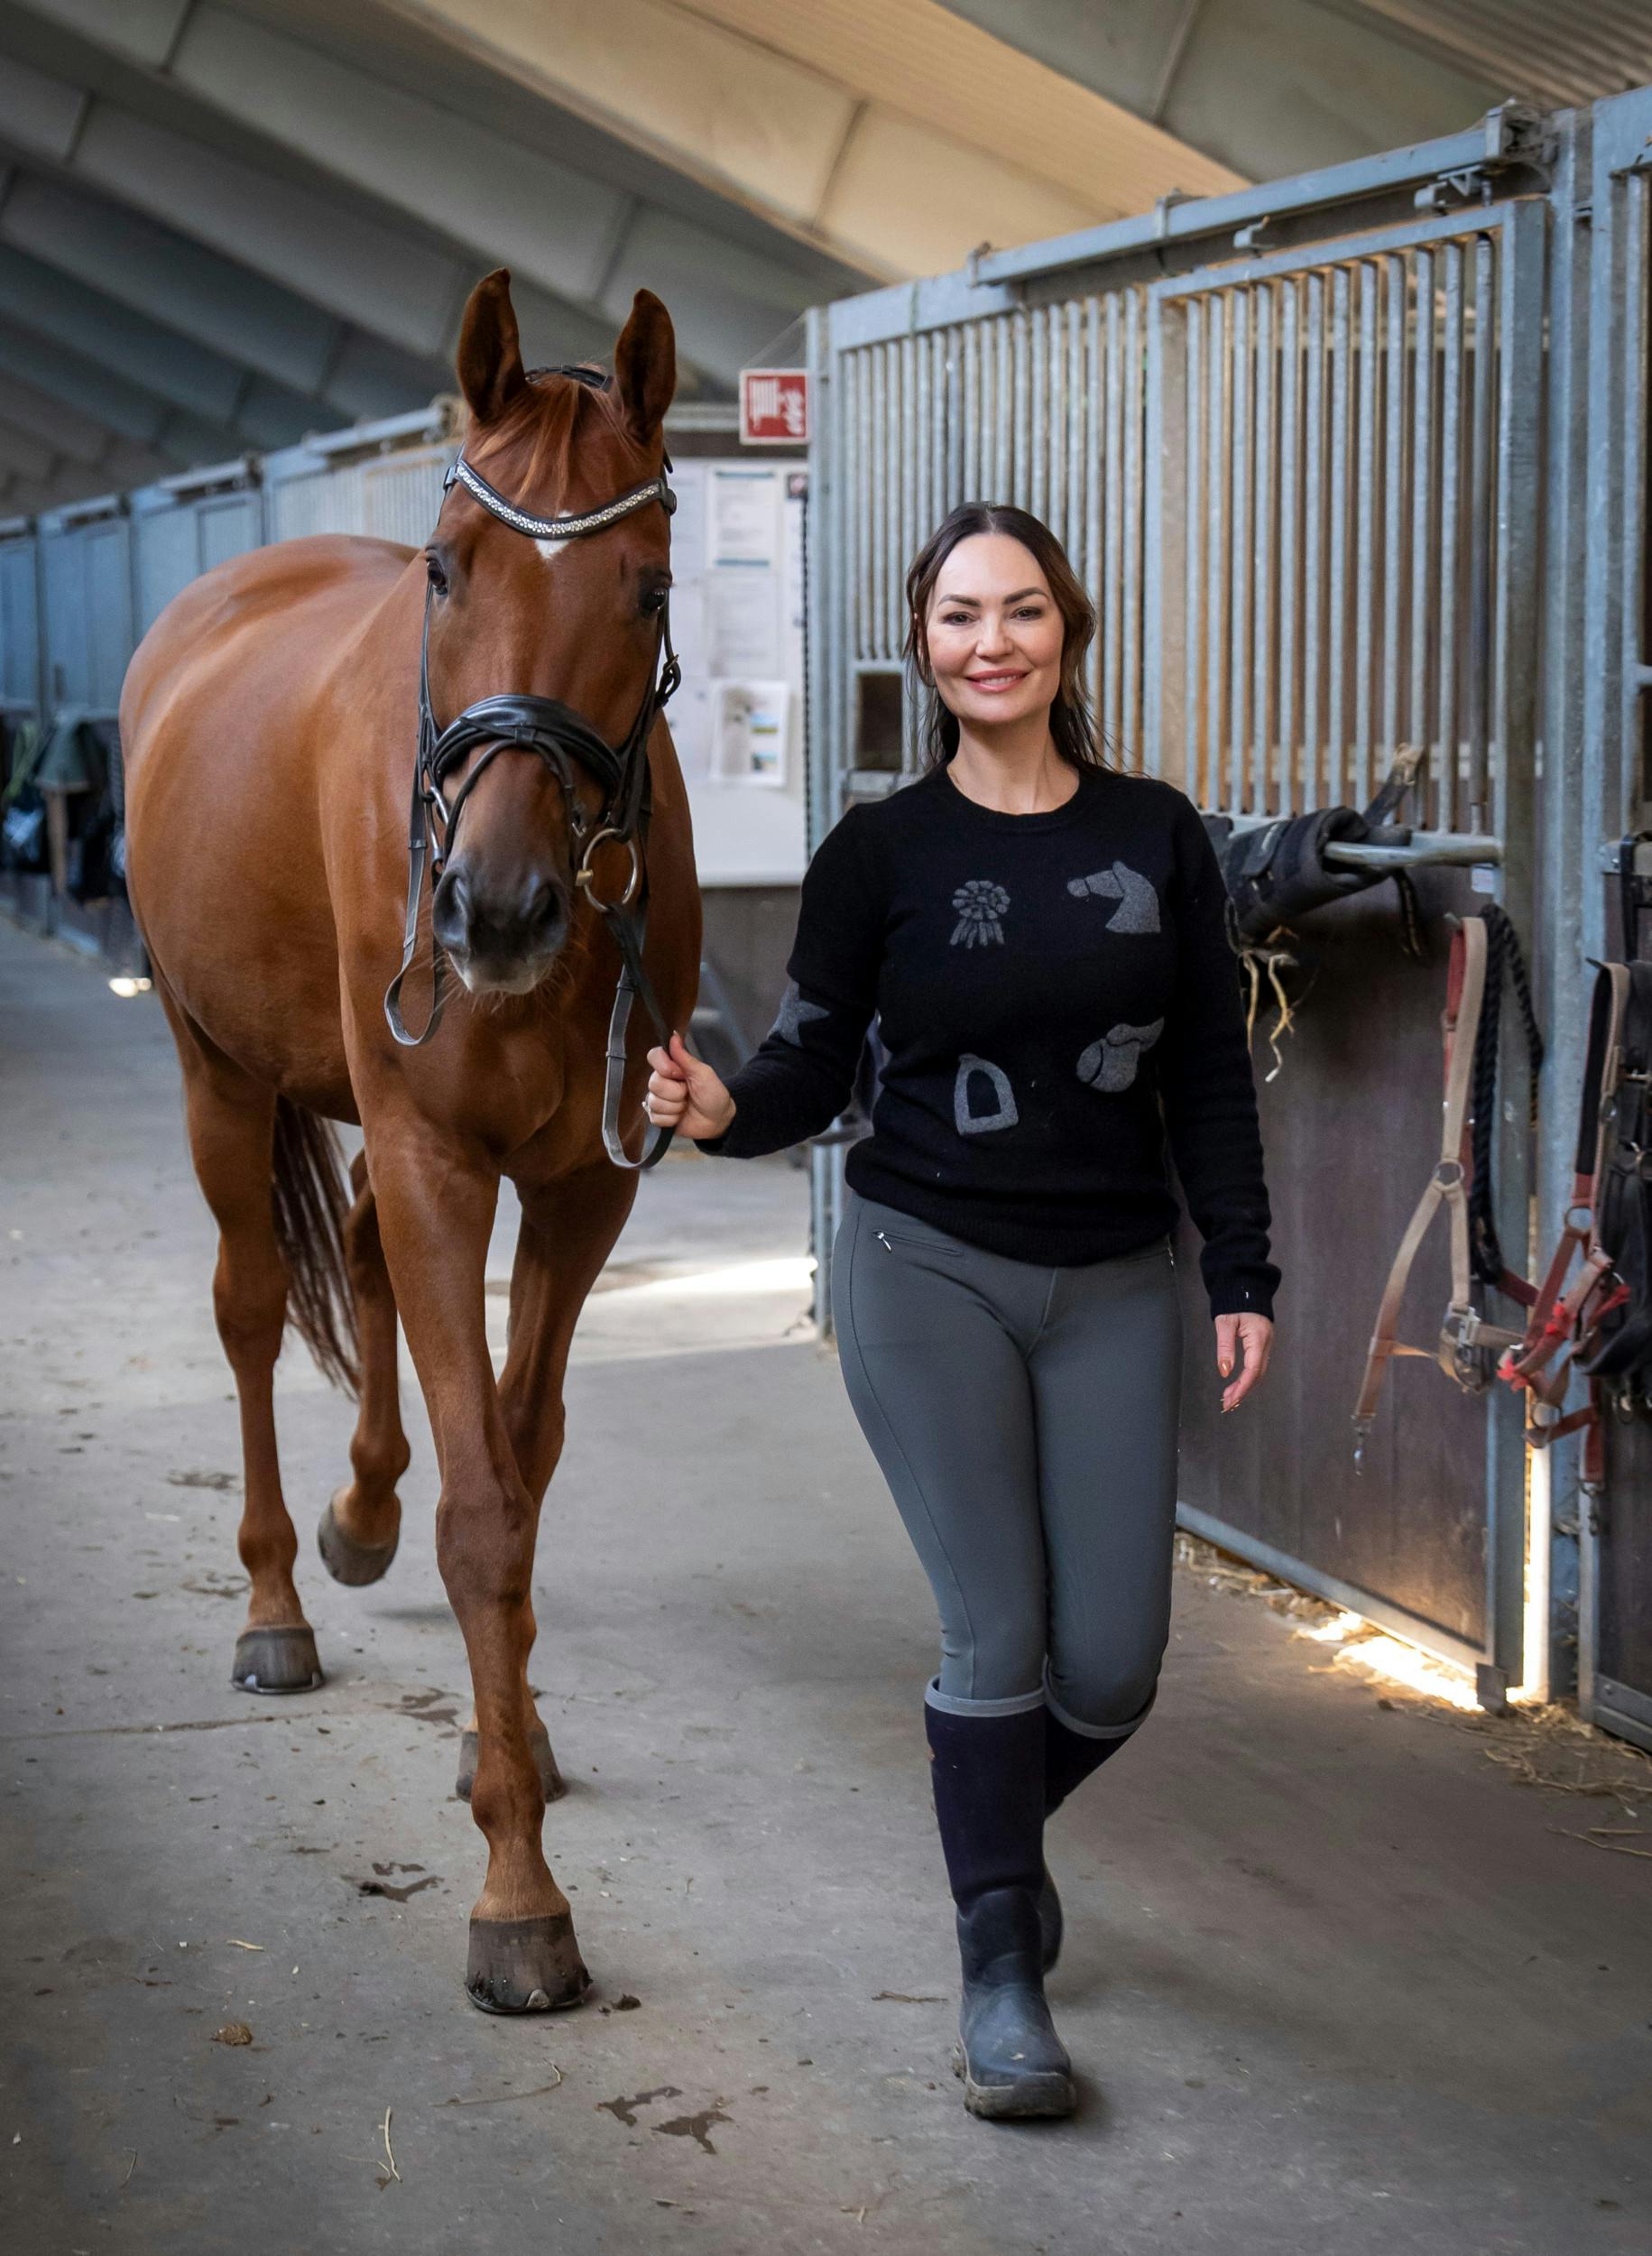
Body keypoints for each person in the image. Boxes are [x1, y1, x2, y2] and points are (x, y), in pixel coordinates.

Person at [646, 501, 1278, 2122]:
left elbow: (1209, 1069)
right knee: (995, 1630)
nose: (989, 641)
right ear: (921, 645)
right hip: (924, 1263)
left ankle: (993, 1835)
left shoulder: (1156, 834)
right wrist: (725, 1113)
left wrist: (1248, 1272)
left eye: (1019, 611)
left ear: (1067, 629)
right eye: (956, 616)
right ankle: (1001, 1961)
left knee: (1117, 1665)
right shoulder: (881, 852)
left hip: (1119, 1279)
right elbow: (809, 1060)